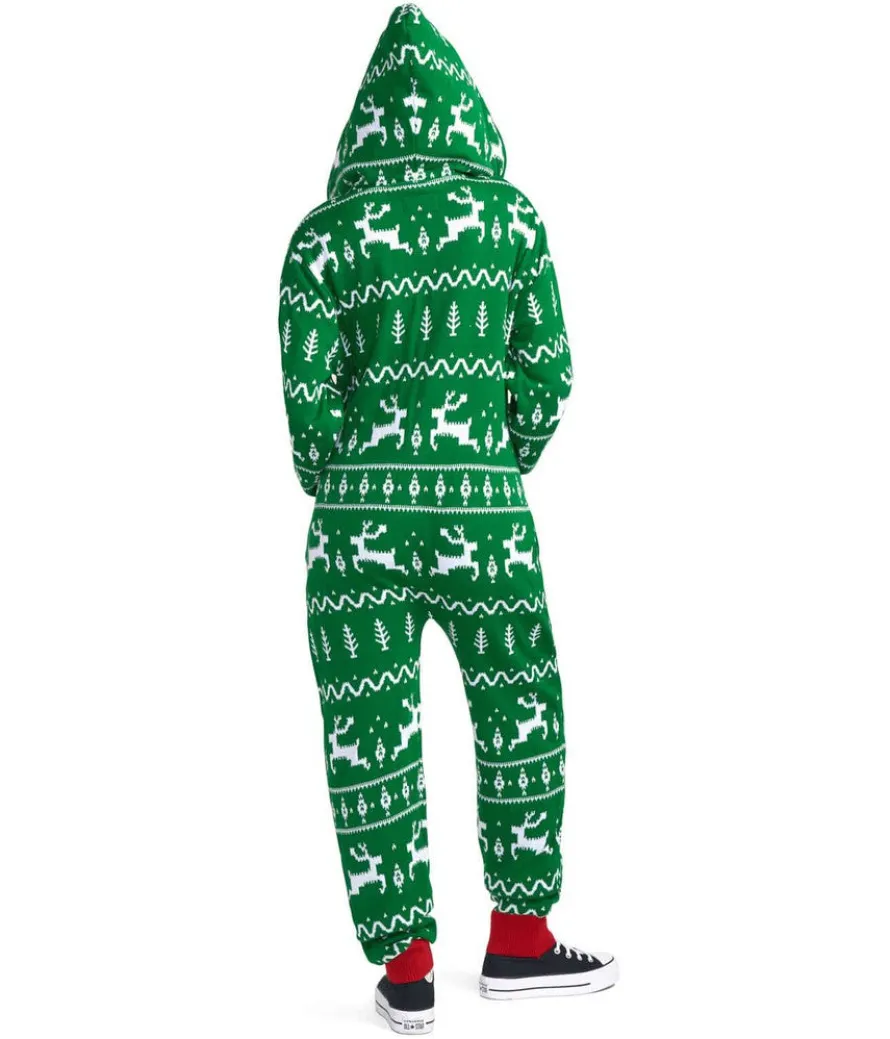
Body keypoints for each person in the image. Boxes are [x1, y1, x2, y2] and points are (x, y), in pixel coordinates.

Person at [278, 5, 618, 1033]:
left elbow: (308, 405)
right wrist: (488, 464)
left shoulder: (321, 240)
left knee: (367, 726)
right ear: (470, 113)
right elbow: (549, 373)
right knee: (519, 698)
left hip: (356, 525)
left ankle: (408, 967)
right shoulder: (511, 221)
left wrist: (344, 478)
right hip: (485, 517)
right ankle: (519, 939)